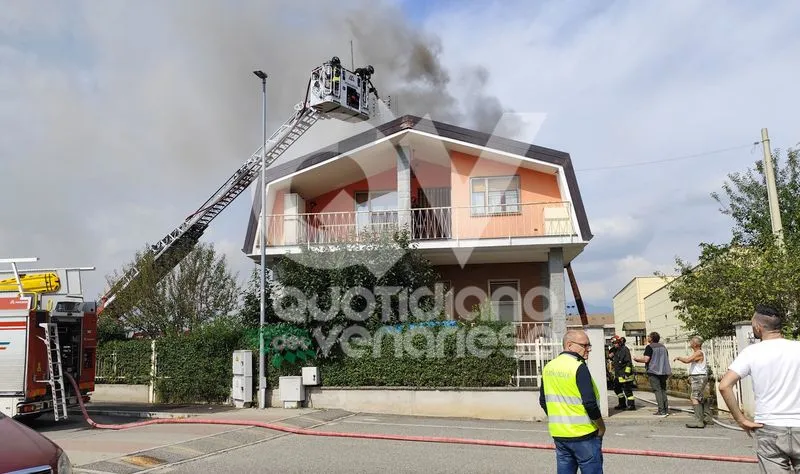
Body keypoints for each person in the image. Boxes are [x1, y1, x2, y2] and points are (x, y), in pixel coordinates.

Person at [719, 304, 800, 472]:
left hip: (769, 427)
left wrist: (741, 420)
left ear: (758, 327)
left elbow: (724, 386)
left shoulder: (751, 352)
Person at [540, 329, 605, 474]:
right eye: (584, 345)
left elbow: (543, 401)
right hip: (584, 435)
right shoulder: (578, 366)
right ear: (569, 345)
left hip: (560, 435)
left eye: (589, 345)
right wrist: (601, 427)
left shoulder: (549, 367)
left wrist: (560, 420)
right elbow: (590, 403)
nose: (588, 349)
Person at [673, 335, 710, 428]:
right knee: (700, 397)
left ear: (696, 344)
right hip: (699, 377)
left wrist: (678, 358)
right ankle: (707, 418)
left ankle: (699, 421)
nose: (690, 343)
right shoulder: (699, 352)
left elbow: (687, 360)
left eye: (691, 342)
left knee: (694, 398)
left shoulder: (698, 353)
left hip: (698, 378)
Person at [633, 331, 672, 417]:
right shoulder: (663, 347)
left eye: (648, 336)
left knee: (657, 391)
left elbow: (646, 359)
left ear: (651, 338)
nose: (647, 338)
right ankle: (666, 410)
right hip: (664, 371)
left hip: (654, 371)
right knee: (663, 390)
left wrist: (636, 359)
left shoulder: (649, 347)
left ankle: (661, 410)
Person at [610, 335, 636, 411]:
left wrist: (626, 373)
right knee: (616, 388)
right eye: (613, 343)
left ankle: (631, 405)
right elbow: (612, 357)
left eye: (615, 343)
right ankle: (622, 404)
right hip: (618, 375)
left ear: (619, 342)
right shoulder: (616, 350)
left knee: (627, 391)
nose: (614, 345)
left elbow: (628, 362)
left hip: (625, 375)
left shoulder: (625, 349)